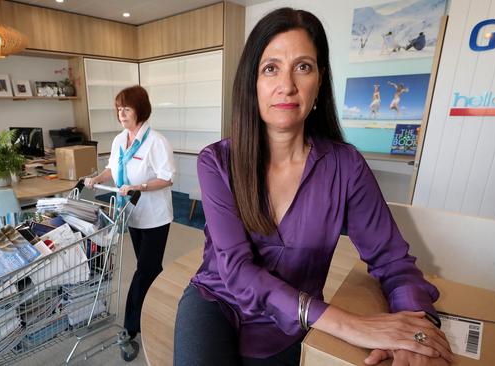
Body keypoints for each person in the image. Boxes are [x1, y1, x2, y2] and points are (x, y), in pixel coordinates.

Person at [174, 7, 453, 366]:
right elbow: (237, 272)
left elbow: (393, 261)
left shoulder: (346, 167)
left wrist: (416, 331)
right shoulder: (216, 162)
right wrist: (351, 325)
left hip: (290, 329)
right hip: (217, 305)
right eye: (270, 68)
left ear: (320, 80)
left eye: (303, 67)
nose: (286, 85)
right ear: (252, 82)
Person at [84, 85, 175, 341]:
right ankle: (157, 305)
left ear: (140, 109)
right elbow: (113, 169)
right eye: (119, 109)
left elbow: (167, 179)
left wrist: (140, 187)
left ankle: (131, 325)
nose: (121, 114)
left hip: (156, 217)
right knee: (150, 267)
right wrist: (96, 178)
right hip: (131, 214)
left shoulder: (156, 141)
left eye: (126, 108)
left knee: (144, 269)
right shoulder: (118, 140)